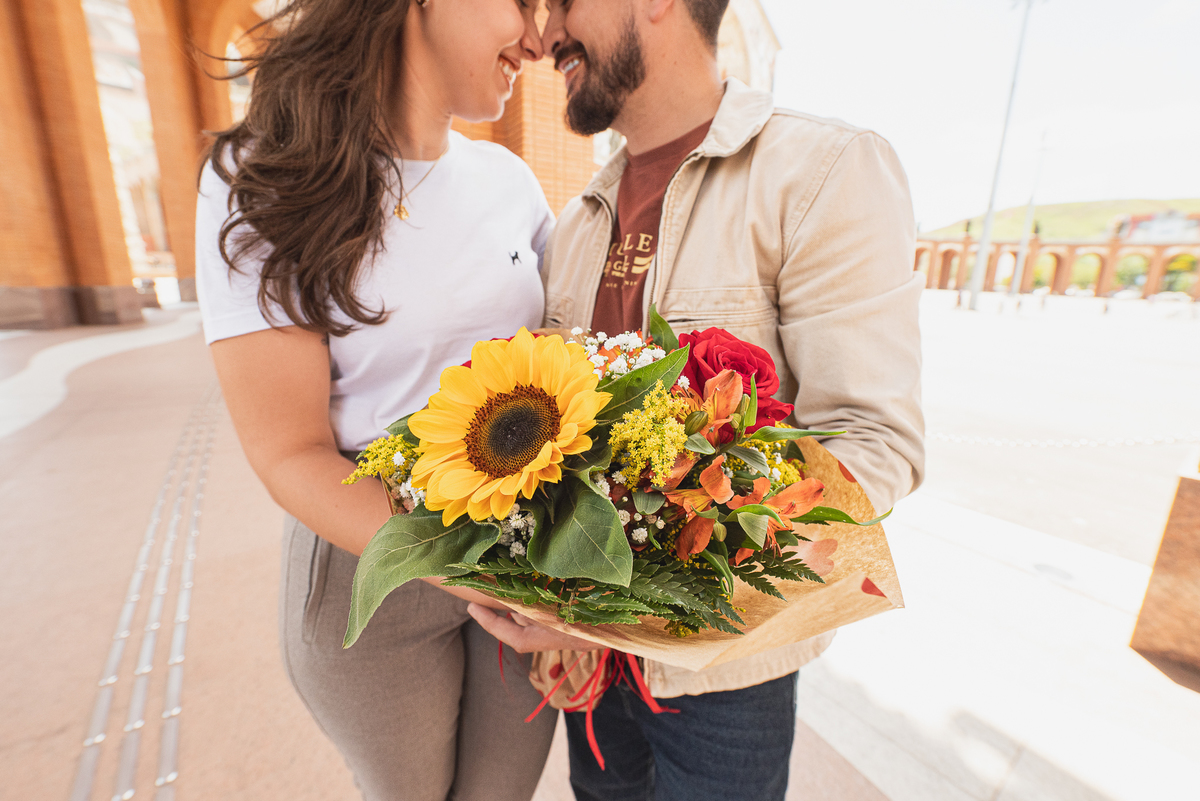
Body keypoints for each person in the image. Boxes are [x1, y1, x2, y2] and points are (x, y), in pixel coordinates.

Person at [469, 1, 925, 799]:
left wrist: (601, 608)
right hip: (591, 676)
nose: (542, 38)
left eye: (562, 3)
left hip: (728, 677)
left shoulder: (818, 171)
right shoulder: (576, 221)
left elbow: (875, 444)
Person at [194, 0, 587, 798]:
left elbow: (569, 364)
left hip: (522, 550)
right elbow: (286, 450)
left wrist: (575, 596)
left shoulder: (508, 181)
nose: (541, 39)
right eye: (522, 4)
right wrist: (467, 568)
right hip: (367, 569)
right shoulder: (262, 179)